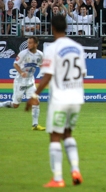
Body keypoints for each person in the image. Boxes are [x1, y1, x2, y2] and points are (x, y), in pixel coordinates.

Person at [26, 15, 86, 188]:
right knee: (68, 134)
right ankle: (75, 169)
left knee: (55, 136)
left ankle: (58, 178)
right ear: (66, 27)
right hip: (76, 98)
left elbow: (47, 76)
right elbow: (81, 73)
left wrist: (34, 95)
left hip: (60, 98)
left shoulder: (52, 48)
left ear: (52, 28)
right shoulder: (77, 47)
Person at [0, 36, 45, 130]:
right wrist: (21, 72)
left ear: (36, 44)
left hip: (30, 81)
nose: (28, 45)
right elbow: (15, 64)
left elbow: (41, 65)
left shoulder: (40, 54)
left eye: (30, 43)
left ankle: (35, 125)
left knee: (36, 101)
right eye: (28, 43)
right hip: (20, 81)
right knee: (15, 105)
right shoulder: (23, 53)